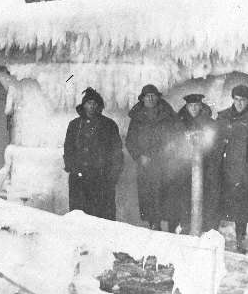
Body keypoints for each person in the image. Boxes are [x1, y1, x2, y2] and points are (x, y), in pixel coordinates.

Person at [216, 84, 248, 253]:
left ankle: (240, 242)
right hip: (223, 170)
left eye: (243, 100)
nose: (238, 104)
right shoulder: (223, 117)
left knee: (241, 209)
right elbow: (215, 141)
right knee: (218, 203)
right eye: (236, 100)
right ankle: (215, 240)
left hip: (243, 172)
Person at [125, 84, 181, 231]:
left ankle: (172, 232)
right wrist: (139, 156)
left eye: (153, 95)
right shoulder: (137, 117)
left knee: (169, 198)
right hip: (147, 166)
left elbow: (178, 135)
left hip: (167, 164)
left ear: (158, 97)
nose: (150, 98)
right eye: (147, 96)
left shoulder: (168, 114)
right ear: (142, 99)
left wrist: (171, 152)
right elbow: (130, 140)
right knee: (150, 198)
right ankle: (154, 229)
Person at [63, 87, 124, 220]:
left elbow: (117, 152)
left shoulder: (109, 125)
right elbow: (68, 149)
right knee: (79, 216)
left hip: (102, 179)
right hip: (79, 179)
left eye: (95, 103)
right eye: (89, 102)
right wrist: (72, 168)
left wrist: (113, 175)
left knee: (103, 217)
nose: (91, 106)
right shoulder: (74, 125)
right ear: (83, 105)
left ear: (99, 106)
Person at [175, 93, 218, 234]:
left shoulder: (210, 123)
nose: (193, 109)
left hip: (205, 168)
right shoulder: (180, 123)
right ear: (186, 107)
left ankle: (204, 230)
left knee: (205, 200)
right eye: (191, 106)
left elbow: (215, 145)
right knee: (185, 200)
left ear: (201, 106)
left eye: (196, 105)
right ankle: (187, 228)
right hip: (185, 169)